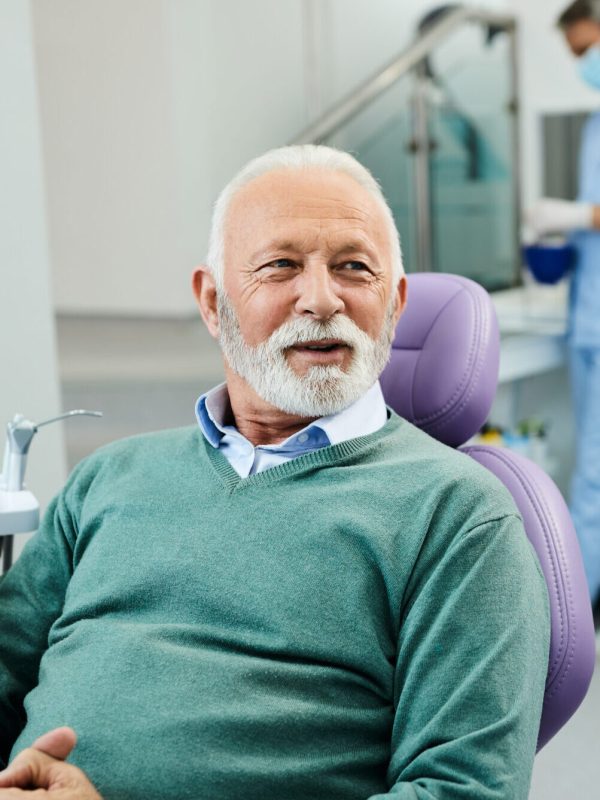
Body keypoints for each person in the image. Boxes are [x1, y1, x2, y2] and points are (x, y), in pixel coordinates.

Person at [0, 145, 549, 799]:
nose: (321, 300)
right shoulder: (110, 478)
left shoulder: (457, 516)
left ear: (395, 305)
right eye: (280, 266)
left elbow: (462, 791)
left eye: (353, 268)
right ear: (212, 301)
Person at [528, 0, 600, 617]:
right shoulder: (594, 124)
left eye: (588, 49)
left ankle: (569, 609)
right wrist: (564, 240)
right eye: (578, 54)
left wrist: (573, 215)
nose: (585, 64)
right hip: (588, 315)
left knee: (595, 476)